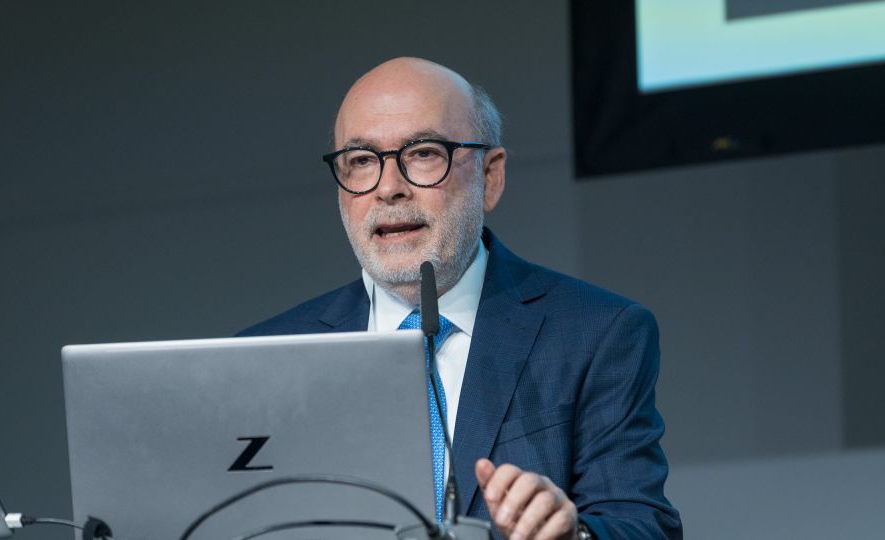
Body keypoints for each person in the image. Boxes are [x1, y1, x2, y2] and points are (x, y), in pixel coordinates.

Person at [238, 57, 682, 540]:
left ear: (490, 177)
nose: (389, 188)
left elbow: (642, 525)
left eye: (424, 153)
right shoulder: (261, 358)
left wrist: (573, 535)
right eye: (363, 161)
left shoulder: (596, 333)